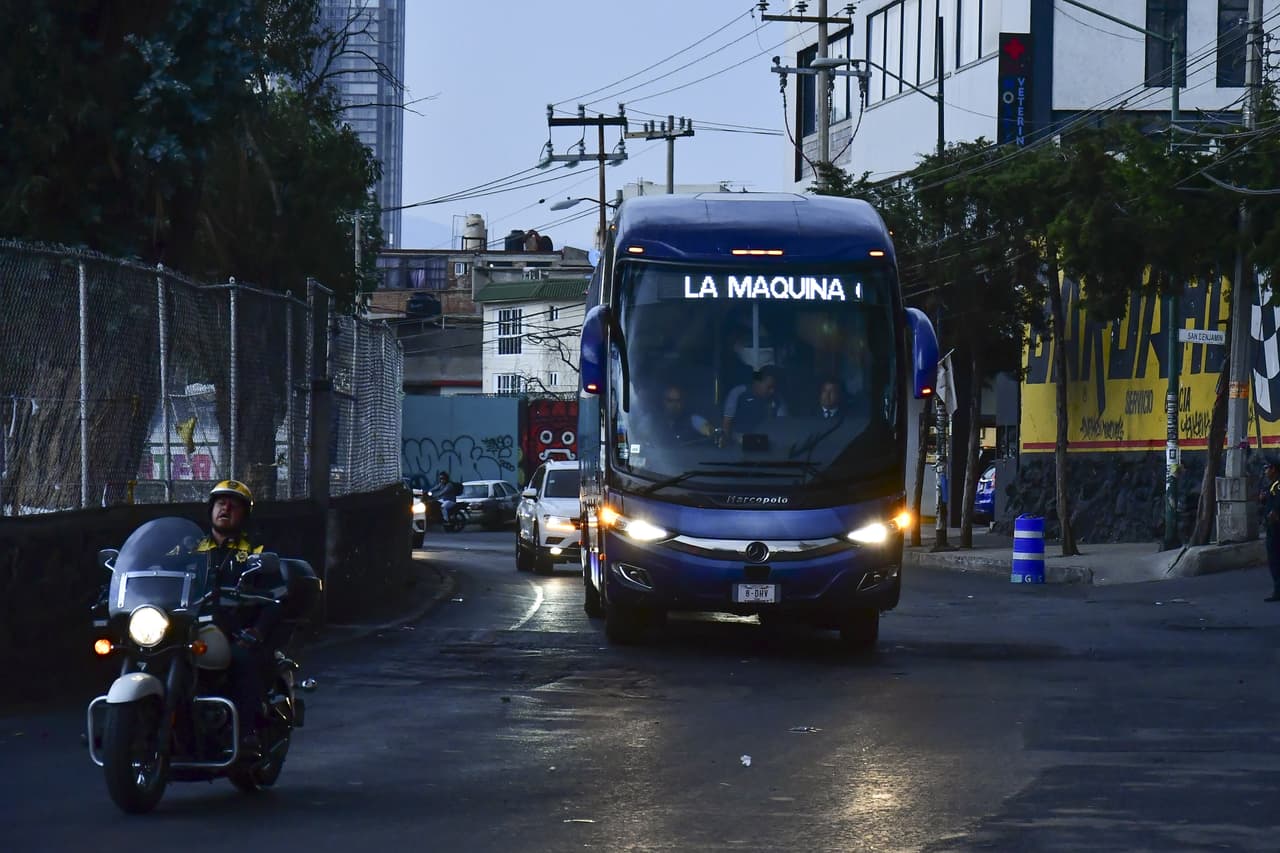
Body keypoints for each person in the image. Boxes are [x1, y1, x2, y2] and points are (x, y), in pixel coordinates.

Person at [194, 479, 276, 754]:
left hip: (235, 631)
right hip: (193, 627)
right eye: (220, 503)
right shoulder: (190, 549)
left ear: (244, 514)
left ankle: (248, 732)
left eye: (233, 505)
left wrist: (257, 631)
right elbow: (160, 569)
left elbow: (273, 597)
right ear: (211, 509)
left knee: (241, 659)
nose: (225, 509)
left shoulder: (255, 552)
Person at [722, 365, 787, 440]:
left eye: (774, 388)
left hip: (768, 442)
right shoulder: (738, 393)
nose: (772, 391)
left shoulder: (777, 400)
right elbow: (726, 424)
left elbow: (783, 428)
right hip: (738, 441)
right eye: (769, 387)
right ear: (757, 382)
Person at [1262, 460, 1280, 602]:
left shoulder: (1277, 485)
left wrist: (1274, 513)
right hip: (1272, 527)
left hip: (1275, 529)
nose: (1265, 471)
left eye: (1267, 468)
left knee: (1275, 559)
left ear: (1273, 469)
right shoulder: (1272, 485)